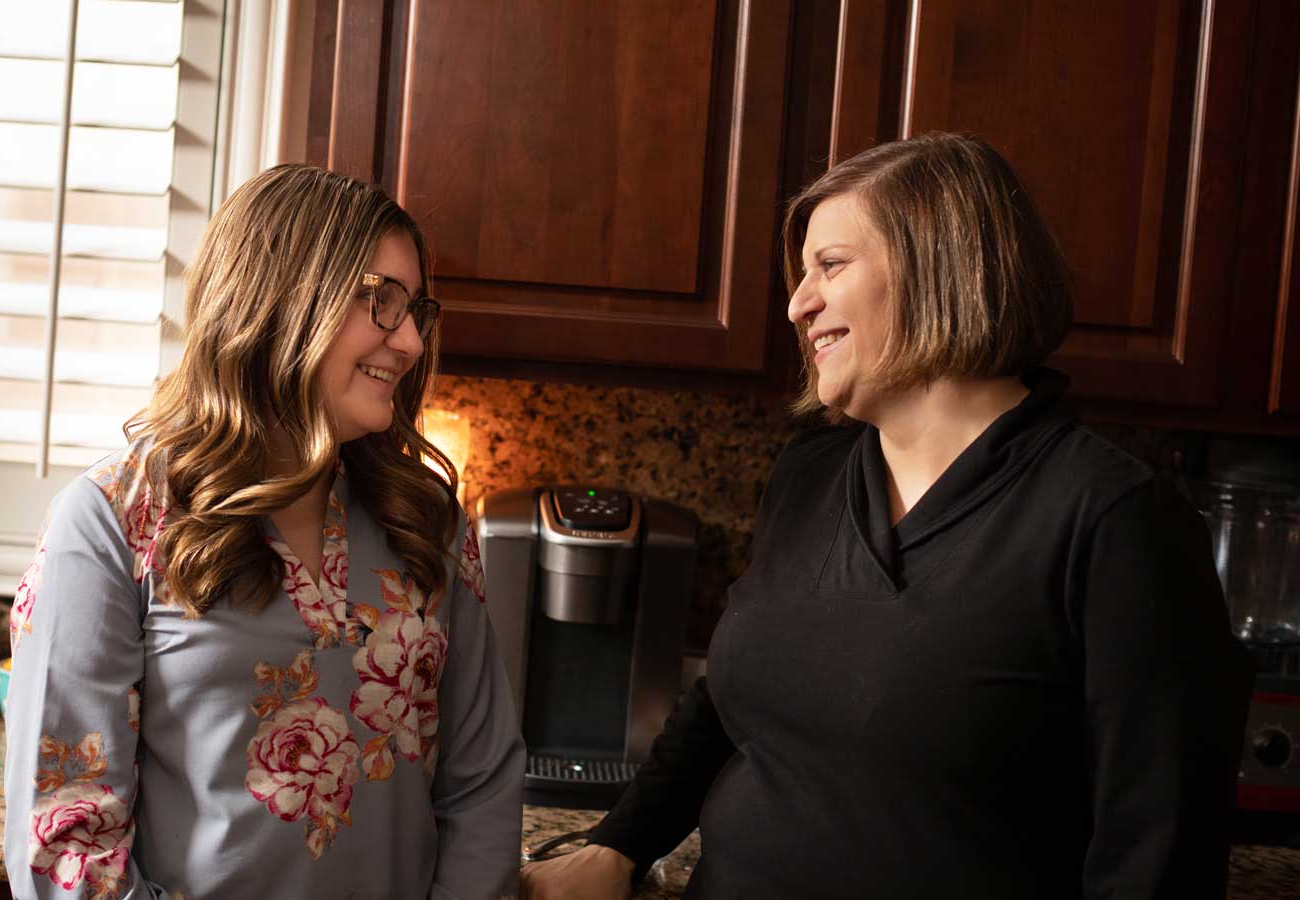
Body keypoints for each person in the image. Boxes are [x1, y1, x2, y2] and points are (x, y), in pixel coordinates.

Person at [519, 133, 1252, 899]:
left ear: (941, 266)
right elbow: (729, 702)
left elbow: (1160, 849)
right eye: (802, 274)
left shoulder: (1115, 519)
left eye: (830, 266)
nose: (798, 303)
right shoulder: (811, 476)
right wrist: (621, 845)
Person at [3, 164, 525, 900]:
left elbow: (482, 787)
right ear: (277, 299)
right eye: (379, 300)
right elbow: (69, 843)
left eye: (416, 310)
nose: (408, 341)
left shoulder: (428, 524)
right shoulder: (110, 524)